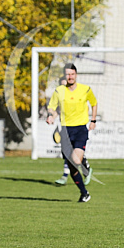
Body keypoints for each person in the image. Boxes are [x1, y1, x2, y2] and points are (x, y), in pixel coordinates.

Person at [46, 63, 97, 202]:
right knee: (71, 165)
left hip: (80, 129)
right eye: (68, 74)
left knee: (75, 160)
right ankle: (84, 193)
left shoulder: (85, 89)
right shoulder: (59, 91)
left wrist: (93, 120)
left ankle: (84, 162)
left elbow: (94, 103)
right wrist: (50, 116)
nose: (70, 77)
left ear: (76, 75)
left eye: (72, 74)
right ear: (65, 75)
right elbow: (52, 108)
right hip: (66, 130)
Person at [54, 76, 71, 186]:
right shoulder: (59, 97)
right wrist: (51, 117)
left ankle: (86, 170)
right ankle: (65, 175)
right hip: (65, 128)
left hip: (76, 127)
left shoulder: (75, 97)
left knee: (76, 154)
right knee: (67, 153)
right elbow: (57, 111)